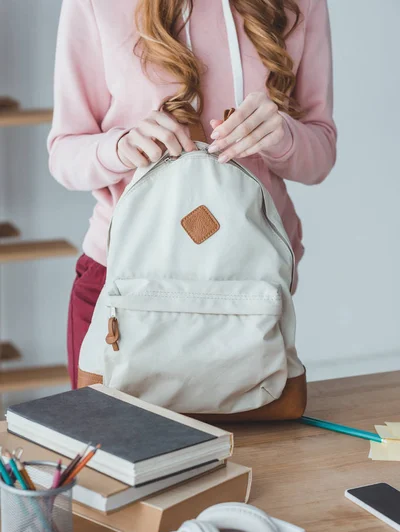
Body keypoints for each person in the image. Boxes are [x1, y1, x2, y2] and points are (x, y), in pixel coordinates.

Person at [47, 0, 337, 390]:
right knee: (110, 448)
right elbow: (64, 153)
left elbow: (320, 157)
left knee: (255, 451)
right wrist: (122, 147)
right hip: (121, 280)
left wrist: (282, 134)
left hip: (250, 285)